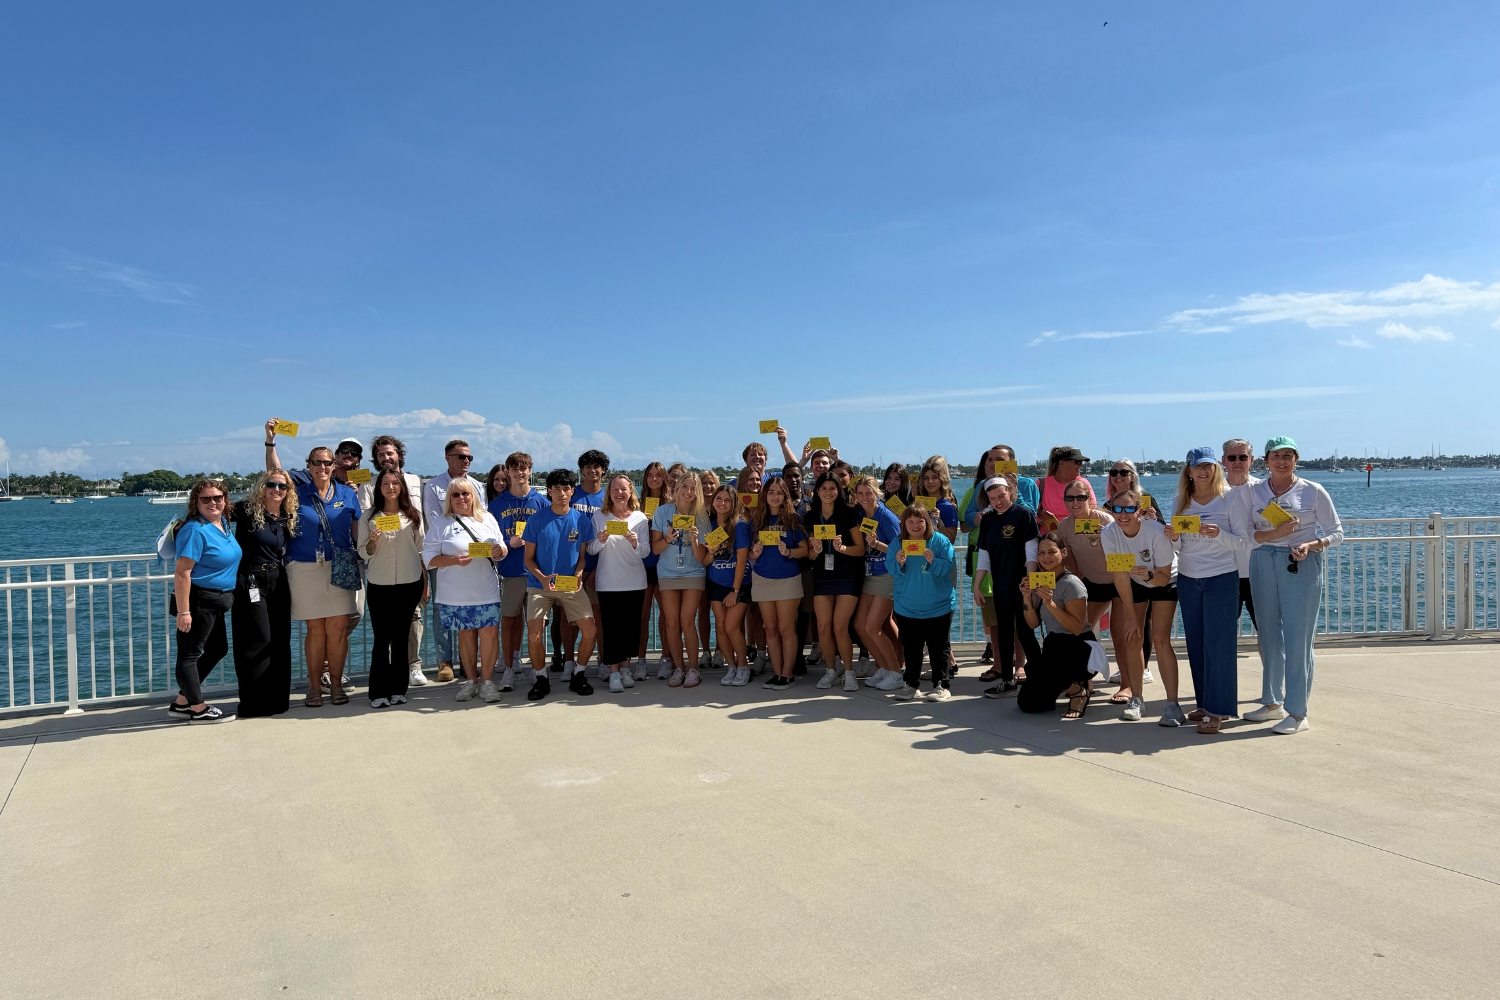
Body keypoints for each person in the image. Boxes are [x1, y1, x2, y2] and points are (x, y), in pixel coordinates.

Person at [1233, 436, 1342, 735]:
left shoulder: (1313, 491)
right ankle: (1272, 703)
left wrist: (1312, 544)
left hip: (1300, 563)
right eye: (1276, 455)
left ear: (1296, 459)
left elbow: (1337, 533)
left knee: (1298, 639)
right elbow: (1247, 534)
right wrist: (1275, 533)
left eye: (1288, 455)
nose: (1282, 460)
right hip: (1261, 561)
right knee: (1268, 634)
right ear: (1266, 461)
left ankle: (1297, 713)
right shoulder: (1252, 491)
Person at [265, 424, 361, 706]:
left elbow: (359, 534)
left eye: (327, 463)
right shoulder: (296, 492)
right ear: (308, 465)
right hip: (305, 568)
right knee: (316, 630)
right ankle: (314, 687)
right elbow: (274, 473)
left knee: (338, 629)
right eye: (317, 462)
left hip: (340, 566)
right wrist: (270, 442)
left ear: (334, 466)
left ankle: (336, 687)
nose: (322, 467)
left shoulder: (348, 494)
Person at [1166, 447, 1247, 733]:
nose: (1203, 471)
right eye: (1198, 466)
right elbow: (1176, 547)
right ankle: (1204, 703)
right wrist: (1173, 537)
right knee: (1197, 644)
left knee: (1219, 645)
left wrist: (1219, 534)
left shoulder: (1232, 498)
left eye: (1209, 466)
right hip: (1189, 579)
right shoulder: (1180, 500)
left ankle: (1218, 711)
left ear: (1216, 469)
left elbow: (1242, 542)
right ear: (1188, 471)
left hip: (1221, 578)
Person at [423, 479, 506, 703]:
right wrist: (453, 561)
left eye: (466, 494)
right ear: (449, 499)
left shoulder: (487, 518)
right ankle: (471, 681)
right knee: (466, 636)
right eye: (456, 495)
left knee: (489, 635)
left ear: (474, 496)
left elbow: (501, 546)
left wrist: (500, 551)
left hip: (486, 589)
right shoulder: (441, 523)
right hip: (456, 593)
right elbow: (428, 557)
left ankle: (488, 682)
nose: (461, 499)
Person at [1101, 488, 1178, 722]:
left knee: (1161, 639)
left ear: (1140, 511)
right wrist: (1132, 617)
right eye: (1117, 509)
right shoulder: (1109, 533)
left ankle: (1173, 705)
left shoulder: (1155, 532)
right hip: (1133, 581)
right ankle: (1137, 699)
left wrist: (1148, 577)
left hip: (1165, 579)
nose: (1123, 514)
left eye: (1129, 509)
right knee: (1132, 636)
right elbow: (1120, 576)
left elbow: (1163, 577)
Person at [522, 468, 599, 701]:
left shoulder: (581, 520)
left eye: (566, 489)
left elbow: (582, 556)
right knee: (535, 634)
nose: (562, 493)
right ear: (549, 491)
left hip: (570, 584)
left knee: (590, 631)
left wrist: (579, 573)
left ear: (572, 491)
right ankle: (540, 678)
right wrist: (543, 578)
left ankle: (579, 673)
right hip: (539, 584)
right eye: (557, 489)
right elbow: (528, 559)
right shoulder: (536, 520)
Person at [357, 434, 427, 689]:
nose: (390, 487)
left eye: (390, 453)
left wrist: (426, 578)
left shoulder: (414, 495)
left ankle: (404, 681)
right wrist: (373, 540)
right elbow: (364, 550)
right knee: (382, 638)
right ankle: (379, 689)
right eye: (380, 454)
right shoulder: (368, 510)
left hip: (410, 577)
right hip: (381, 579)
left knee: (404, 633)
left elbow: (422, 546)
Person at [168, 480, 241, 722]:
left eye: (218, 497)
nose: (213, 502)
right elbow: (182, 572)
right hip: (198, 601)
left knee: (218, 649)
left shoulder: (222, 524)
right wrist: (183, 611)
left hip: (218, 601)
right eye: (206, 499)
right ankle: (197, 708)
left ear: (225, 500)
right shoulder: (194, 530)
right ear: (195, 503)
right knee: (189, 655)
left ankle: (181, 702)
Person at [227, 470, 295, 718]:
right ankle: (253, 703)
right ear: (262, 487)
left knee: (280, 641)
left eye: (282, 486)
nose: (277, 489)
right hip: (251, 580)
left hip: (279, 580)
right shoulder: (246, 510)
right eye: (271, 484)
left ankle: (278, 701)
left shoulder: (287, 515)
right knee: (256, 642)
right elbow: (212, 512)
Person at [1016, 534, 1101, 719]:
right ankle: (1069, 685)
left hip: (1078, 647)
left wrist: (1050, 604)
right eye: (1041, 553)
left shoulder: (1071, 583)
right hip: (1054, 646)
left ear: (1063, 553)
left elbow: (1077, 628)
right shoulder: (1042, 580)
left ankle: (1078, 690)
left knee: (1042, 663)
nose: (1046, 557)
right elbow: (1033, 623)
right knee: (1028, 703)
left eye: (1051, 552)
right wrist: (1026, 597)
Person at [421, 439, 484, 682]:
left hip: (473, 561)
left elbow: (480, 521)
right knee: (442, 610)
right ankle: (444, 661)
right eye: (460, 457)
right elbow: (436, 522)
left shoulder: (478, 486)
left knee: (471, 609)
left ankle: (468, 663)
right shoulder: (433, 487)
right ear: (447, 458)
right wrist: (452, 556)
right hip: (445, 559)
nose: (466, 461)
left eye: (469, 457)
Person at [973, 477, 1041, 699]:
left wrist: (1029, 583)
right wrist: (977, 584)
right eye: (992, 498)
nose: (997, 502)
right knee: (1002, 634)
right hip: (1000, 584)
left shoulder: (1023, 514)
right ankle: (1007, 681)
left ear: (1011, 492)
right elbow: (984, 554)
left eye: (1001, 496)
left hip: (1021, 585)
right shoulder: (988, 519)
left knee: (1025, 632)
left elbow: (1032, 552)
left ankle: (1040, 679)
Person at [488, 452, 548, 692]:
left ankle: (537, 668)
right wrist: (507, 542)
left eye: (523, 469)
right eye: (514, 469)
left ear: (530, 471)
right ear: (509, 472)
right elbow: (489, 540)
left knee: (537, 624)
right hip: (511, 572)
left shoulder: (541, 502)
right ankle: (510, 668)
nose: (519, 473)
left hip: (537, 573)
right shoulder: (497, 504)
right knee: (510, 621)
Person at [587, 474, 651, 694]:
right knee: (612, 629)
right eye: (615, 489)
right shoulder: (599, 516)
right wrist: (601, 540)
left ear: (630, 492)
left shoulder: (640, 518)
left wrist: (635, 543)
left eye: (624, 489)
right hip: (608, 583)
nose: (620, 493)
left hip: (635, 580)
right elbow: (590, 549)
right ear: (609, 492)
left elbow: (646, 551)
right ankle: (613, 672)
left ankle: (626, 668)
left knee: (631, 628)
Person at [886, 503, 957, 702]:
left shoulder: (941, 541)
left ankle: (941, 685)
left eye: (920, 521)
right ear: (904, 524)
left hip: (939, 606)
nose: (915, 525)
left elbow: (948, 567)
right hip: (907, 607)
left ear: (927, 522)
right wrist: (899, 562)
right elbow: (891, 570)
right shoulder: (897, 543)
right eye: (910, 521)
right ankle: (911, 685)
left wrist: (934, 561)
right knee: (911, 648)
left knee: (939, 648)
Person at [804, 472, 866, 692]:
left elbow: (860, 550)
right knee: (823, 627)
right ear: (817, 491)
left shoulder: (849, 514)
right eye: (824, 488)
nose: (828, 492)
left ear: (839, 491)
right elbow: (810, 556)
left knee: (840, 626)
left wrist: (842, 549)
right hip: (823, 576)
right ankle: (831, 670)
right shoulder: (811, 517)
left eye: (833, 488)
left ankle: (849, 672)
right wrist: (817, 549)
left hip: (848, 575)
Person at [748, 474, 809, 689]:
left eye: (779, 492)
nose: (775, 496)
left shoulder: (794, 519)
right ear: (765, 495)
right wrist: (754, 552)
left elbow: (805, 550)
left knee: (786, 629)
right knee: (770, 629)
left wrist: (790, 551)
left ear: (785, 495)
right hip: (763, 579)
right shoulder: (756, 520)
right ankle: (777, 673)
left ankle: (787, 674)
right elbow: (749, 554)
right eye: (771, 492)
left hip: (788, 579)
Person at [650, 471, 709, 686]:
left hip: (693, 573)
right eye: (685, 486)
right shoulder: (662, 512)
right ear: (677, 488)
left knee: (687, 621)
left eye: (693, 488)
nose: (688, 492)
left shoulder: (702, 516)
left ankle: (693, 669)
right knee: (672, 623)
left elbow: (702, 558)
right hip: (667, 573)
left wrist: (694, 540)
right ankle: (679, 668)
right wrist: (667, 538)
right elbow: (656, 549)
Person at [559, 449, 609, 680]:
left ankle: (602, 660)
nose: (592, 470)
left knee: (598, 617)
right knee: (568, 619)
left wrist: (597, 569)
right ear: (581, 470)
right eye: (588, 466)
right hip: (569, 567)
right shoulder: (571, 495)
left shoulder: (607, 500)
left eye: (597, 466)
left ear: (603, 470)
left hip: (600, 567)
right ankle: (569, 661)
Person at [852, 475, 903, 691]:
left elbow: (900, 550)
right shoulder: (862, 515)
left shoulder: (888, 518)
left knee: (872, 627)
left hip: (888, 575)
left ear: (877, 493)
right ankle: (883, 667)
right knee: (859, 627)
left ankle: (895, 672)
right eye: (860, 493)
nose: (864, 497)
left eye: (868, 493)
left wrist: (877, 544)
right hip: (870, 573)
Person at [702, 485, 752, 686]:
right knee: (721, 627)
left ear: (734, 504)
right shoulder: (709, 524)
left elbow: (742, 560)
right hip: (715, 582)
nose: (722, 503)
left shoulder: (739, 525)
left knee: (732, 627)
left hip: (738, 585)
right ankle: (731, 665)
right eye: (719, 499)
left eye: (727, 500)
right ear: (713, 501)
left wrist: (735, 590)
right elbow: (705, 561)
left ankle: (743, 666)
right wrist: (712, 551)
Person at [1056, 486, 1116, 629]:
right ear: (1064, 501)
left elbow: (1121, 554)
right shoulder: (1064, 526)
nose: (1075, 502)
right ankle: (1092, 652)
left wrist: (1107, 539)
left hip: (1119, 581)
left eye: (1081, 497)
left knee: (1121, 634)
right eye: (1070, 498)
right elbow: (1071, 564)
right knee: (1082, 628)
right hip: (1094, 582)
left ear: (1089, 499)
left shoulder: (1106, 521)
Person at [1222, 438, 1262, 637]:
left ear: (1251, 460)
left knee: (1268, 633)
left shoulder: (1263, 489)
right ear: (1224, 461)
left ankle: (1273, 670)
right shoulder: (1214, 492)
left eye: (1242, 457)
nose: (1237, 461)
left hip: (1260, 572)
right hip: (1225, 573)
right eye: (1232, 457)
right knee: (1223, 633)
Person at [635, 461, 669, 677]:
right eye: (650, 475)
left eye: (659, 475)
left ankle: (667, 659)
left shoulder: (672, 504)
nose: (654, 478)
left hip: (665, 567)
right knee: (642, 616)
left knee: (667, 616)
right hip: (642, 566)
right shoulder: (637, 504)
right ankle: (640, 661)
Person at [1035, 446, 1098, 532]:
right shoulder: (1041, 484)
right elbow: (1029, 513)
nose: (1080, 466)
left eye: (1081, 463)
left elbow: (1093, 513)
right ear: (1062, 463)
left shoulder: (1084, 484)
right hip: (1049, 538)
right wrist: (1039, 514)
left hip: (1078, 535)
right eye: (1077, 462)